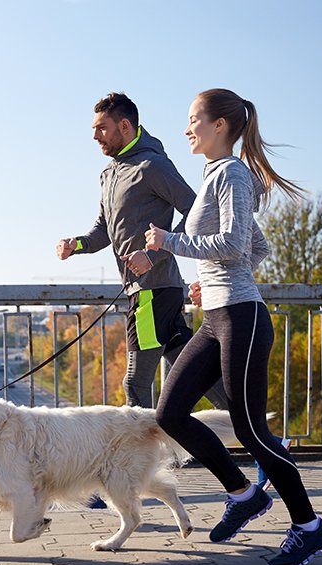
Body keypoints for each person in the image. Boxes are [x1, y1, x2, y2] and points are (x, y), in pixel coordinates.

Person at [143, 88, 322, 565]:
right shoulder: (216, 175)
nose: (187, 128)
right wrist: (210, 283)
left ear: (221, 126)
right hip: (218, 316)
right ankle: (243, 493)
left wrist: (170, 241)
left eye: (193, 120)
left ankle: (310, 527)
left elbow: (232, 241)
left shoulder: (232, 172)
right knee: (170, 412)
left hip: (242, 318)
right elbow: (257, 246)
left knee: (251, 430)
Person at [56, 92, 227, 411]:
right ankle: (265, 439)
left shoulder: (152, 165)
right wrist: (75, 245)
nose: (95, 136)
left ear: (124, 125)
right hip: (152, 291)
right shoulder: (109, 175)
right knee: (198, 376)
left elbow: (195, 211)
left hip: (152, 290)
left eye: (102, 128)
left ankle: (148, 461)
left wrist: (153, 253)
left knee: (135, 383)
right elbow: (104, 229)